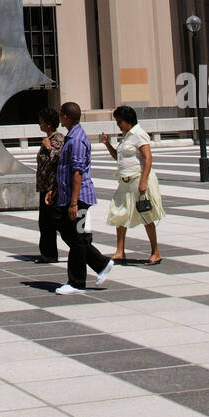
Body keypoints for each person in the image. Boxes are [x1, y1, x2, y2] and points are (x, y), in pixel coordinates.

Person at [45, 102, 114, 295]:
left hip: (79, 197)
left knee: (75, 237)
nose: (59, 117)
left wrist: (74, 203)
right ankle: (101, 263)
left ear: (66, 116)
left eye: (61, 114)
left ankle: (76, 282)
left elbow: (77, 173)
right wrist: (55, 189)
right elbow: (65, 169)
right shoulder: (71, 137)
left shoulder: (76, 140)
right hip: (68, 195)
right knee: (74, 235)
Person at [102, 105, 165, 265]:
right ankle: (119, 251)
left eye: (120, 121)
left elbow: (148, 158)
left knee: (146, 214)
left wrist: (143, 181)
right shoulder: (126, 137)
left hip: (138, 179)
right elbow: (119, 157)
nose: (118, 125)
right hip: (124, 182)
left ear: (128, 121)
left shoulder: (139, 134)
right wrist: (108, 145)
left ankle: (155, 252)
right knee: (119, 214)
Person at [34, 108, 64, 263]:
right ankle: (47, 253)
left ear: (49, 123)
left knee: (52, 221)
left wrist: (48, 147)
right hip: (44, 187)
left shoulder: (57, 139)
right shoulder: (49, 138)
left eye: (42, 121)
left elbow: (59, 160)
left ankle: (51, 253)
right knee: (44, 222)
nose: (40, 123)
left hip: (52, 188)